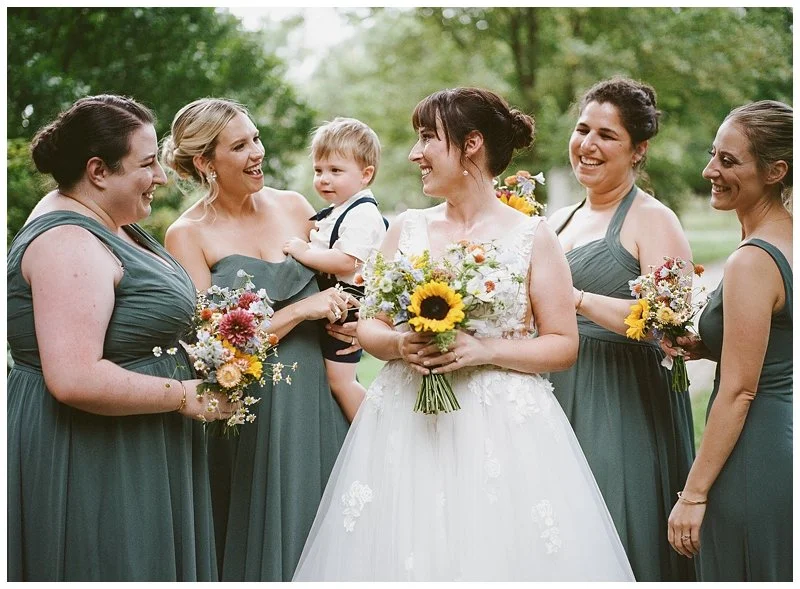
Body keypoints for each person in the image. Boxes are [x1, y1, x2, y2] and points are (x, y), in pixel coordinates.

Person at [292, 87, 634, 581]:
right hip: (406, 424)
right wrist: (397, 344)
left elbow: (563, 344)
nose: (415, 154)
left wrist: (484, 349)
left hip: (504, 432)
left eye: (428, 138)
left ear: (471, 143)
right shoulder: (405, 228)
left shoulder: (532, 236)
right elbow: (370, 325)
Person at [7, 95, 236, 581]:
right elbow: (74, 377)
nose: (161, 176)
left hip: (135, 443)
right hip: (95, 455)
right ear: (98, 170)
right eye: (148, 163)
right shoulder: (67, 242)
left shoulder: (110, 222)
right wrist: (184, 396)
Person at [162, 98, 351, 581]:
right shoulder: (187, 234)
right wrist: (299, 310)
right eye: (240, 145)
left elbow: (344, 287)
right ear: (205, 162)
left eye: (256, 139)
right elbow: (212, 343)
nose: (256, 153)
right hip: (254, 408)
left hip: (320, 395)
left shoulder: (296, 206)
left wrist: (350, 319)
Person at [546, 77, 696, 581]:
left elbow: (668, 327)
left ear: (639, 150)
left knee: (615, 524)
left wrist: (575, 300)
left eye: (607, 136)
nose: (588, 144)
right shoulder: (559, 220)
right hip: (554, 393)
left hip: (621, 400)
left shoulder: (654, 220)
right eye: (583, 128)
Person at [664, 100, 792, 581]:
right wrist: (707, 344)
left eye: (729, 161)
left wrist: (693, 495)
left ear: (776, 170)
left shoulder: (752, 261)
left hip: (751, 454)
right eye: (714, 155)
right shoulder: (788, 240)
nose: (709, 170)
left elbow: (740, 390)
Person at [283, 117, 388, 422]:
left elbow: (346, 261)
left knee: (340, 380)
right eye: (319, 170)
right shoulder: (339, 211)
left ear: (365, 175)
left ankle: (373, 431)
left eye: (335, 171)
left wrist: (304, 252)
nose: (324, 179)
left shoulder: (363, 214)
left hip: (349, 305)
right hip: (334, 303)